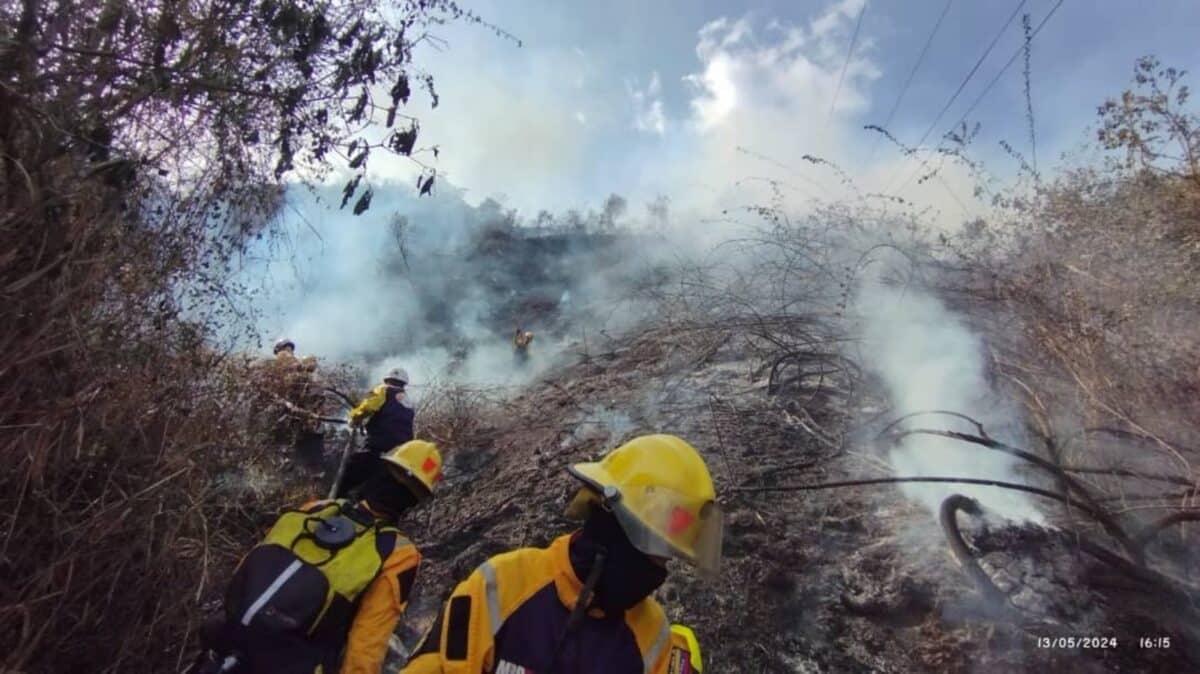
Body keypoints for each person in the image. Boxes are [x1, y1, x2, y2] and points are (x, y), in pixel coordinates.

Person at [401, 434, 720, 674]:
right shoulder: (503, 584)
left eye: (668, 557)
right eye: (658, 551)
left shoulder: (654, 639)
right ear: (614, 526)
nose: (659, 570)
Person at [193, 440, 444, 674]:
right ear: (416, 500)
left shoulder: (316, 508)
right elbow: (366, 645)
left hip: (224, 643)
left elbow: (247, 569)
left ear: (381, 469)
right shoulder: (399, 553)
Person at [340, 368, 415, 497]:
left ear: (387, 380)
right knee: (376, 483)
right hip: (400, 451)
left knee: (349, 474)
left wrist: (354, 418)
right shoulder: (408, 400)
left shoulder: (383, 390)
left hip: (379, 443)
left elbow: (368, 406)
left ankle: (334, 503)